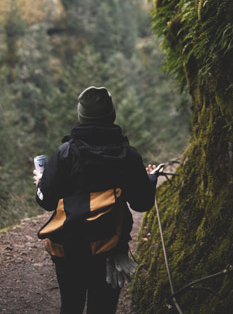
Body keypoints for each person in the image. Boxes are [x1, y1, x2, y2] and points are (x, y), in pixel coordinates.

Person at [33, 86, 164, 314]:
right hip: (109, 247)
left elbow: (46, 202)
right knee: (102, 309)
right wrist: (150, 178)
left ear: (81, 116)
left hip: (68, 248)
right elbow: (141, 203)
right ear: (111, 115)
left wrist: (40, 182)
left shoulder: (64, 154)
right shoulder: (129, 156)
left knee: (71, 305)